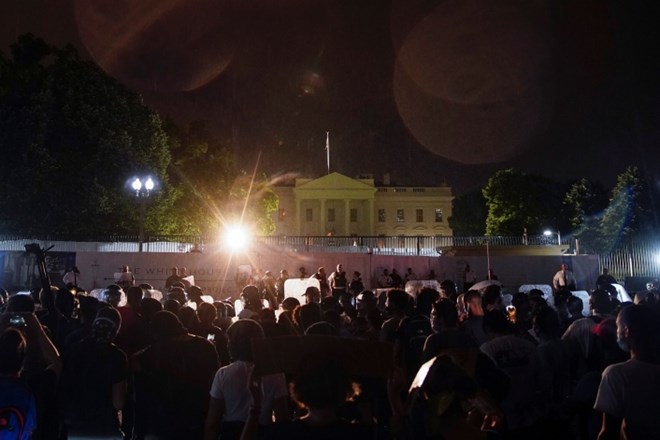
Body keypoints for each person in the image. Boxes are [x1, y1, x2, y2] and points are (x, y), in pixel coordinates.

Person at [204, 319, 288, 440]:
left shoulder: (223, 374)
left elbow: (213, 421)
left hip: (231, 433)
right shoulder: (275, 374)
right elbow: (282, 418)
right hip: (263, 433)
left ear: (233, 345)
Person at [593, 304, 660, 439]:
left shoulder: (616, 375)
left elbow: (608, 432)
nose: (616, 332)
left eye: (618, 327)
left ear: (627, 332)